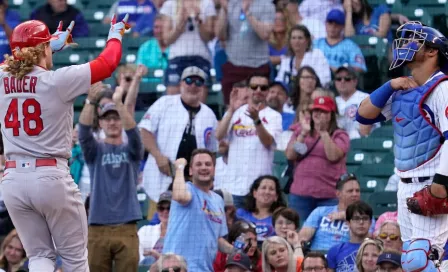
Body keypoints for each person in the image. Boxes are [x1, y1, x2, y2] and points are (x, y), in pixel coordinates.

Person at [0, 15, 130, 271]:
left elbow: (14, 64)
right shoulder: (57, 80)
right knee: (74, 259)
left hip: (13, 180)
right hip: (50, 176)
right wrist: (115, 33)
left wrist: (45, 46)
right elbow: (108, 63)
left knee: (39, 256)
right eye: (47, 45)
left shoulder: (2, 77)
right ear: (42, 50)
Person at [356, 21, 448, 271]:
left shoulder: (443, 88)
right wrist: (389, 85)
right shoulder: (401, 89)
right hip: (405, 187)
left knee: (420, 260)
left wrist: (441, 184)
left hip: (432, 184)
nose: (405, 45)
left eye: (413, 41)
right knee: (413, 261)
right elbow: (362, 116)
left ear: (432, 51)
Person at [78, 86, 143, 272]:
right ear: (101, 123)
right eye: (108, 119)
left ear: (121, 121)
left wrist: (120, 105)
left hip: (127, 226)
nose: (113, 122)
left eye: (116, 118)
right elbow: (83, 132)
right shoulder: (95, 151)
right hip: (98, 227)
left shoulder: (131, 151)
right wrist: (90, 101)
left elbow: (135, 134)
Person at [139, 66, 218, 218]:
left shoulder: (209, 114)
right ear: (181, 83)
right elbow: (144, 130)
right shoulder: (165, 103)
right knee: (158, 225)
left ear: (203, 87)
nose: (193, 85)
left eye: (198, 82)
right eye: (189, 81)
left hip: (193, 184)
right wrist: (157, 155)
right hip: (162, 176)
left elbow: (212, 151)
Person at [216, 74, 282, 209]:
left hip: (259, 188)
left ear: (268, 91)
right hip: (234, 185)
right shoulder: (236, 112)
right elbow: (218, 135)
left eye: (263, 87)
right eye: (254, 86)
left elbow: (268, 142)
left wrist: (256, 120)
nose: (258, 90)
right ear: (248, 90)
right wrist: (231, 109)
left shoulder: (274, 116)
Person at [162, 149, 233, 271]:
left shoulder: (218, 200)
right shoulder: (187, 189)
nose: (204, 167)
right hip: (178, 268)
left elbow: (217, 239)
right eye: (198, 164)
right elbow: (179, 196)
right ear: (190, 170)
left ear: (214, 169)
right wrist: (179, 167)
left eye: (208, 164)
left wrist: (235, 250)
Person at [285, 96, 349, 222]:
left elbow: (333, 156)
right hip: (300, 194)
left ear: (331, 114)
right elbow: (290, 155)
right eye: (316, 111)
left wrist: (324, 132)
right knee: (297, 229)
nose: (318, 114)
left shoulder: (340, 134)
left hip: (328, 195)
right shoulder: (301, 131)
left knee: (326, 233)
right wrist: (303, 133)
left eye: (324, 111)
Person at [236, 175, 286, 244]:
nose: (267, 192)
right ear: (255, 193)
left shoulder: (281, 218)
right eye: (263, 188)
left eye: (271, 189)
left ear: (276, 197)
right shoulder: (240, 214)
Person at [326, 201, 373, 272]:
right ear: (348, 223)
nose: (361, 222)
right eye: (356, 218)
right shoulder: (335, 251)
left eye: (365, 218)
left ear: (370, 223)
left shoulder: (378, 249)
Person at [138, 191, 172, 265]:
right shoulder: (145, 231)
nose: (165, 211)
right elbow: (137, 255)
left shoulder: (182, 234)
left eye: (169, 208)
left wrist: (159, 258)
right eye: (161, 208)